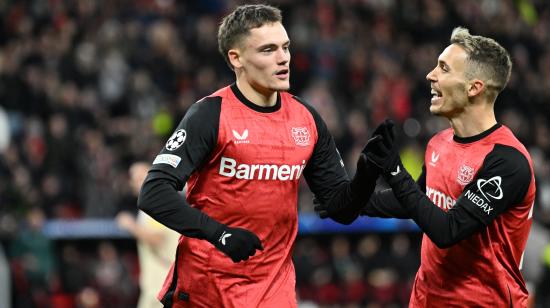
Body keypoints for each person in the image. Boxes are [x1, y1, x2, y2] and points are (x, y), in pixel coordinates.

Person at [137, 4, 380, 307]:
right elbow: (153, 192)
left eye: (285, 47)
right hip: (205, 289)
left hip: (273, 292)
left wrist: (367, 176)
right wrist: (219, 234)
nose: (283, 58)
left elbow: (339, 208)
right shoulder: (210, 114)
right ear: (236, 58)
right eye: (268, 50)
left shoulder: (307, 119)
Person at [316, 27, 536, 307]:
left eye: (443, 68)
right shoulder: (439, 142)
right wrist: (352, 200)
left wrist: (395, 170)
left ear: (474, 87)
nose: (430, 75)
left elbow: (448, 230)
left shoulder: (508, 161)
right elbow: (417, 200)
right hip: (426, 299)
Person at [116, 162, 179, 308]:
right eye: (135, 179)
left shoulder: (156, 203)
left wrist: (130, 225)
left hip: (162, 283)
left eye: (142, 177)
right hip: (156, 284)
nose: (139, 183)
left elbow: (157, 238)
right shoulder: (151, 203)